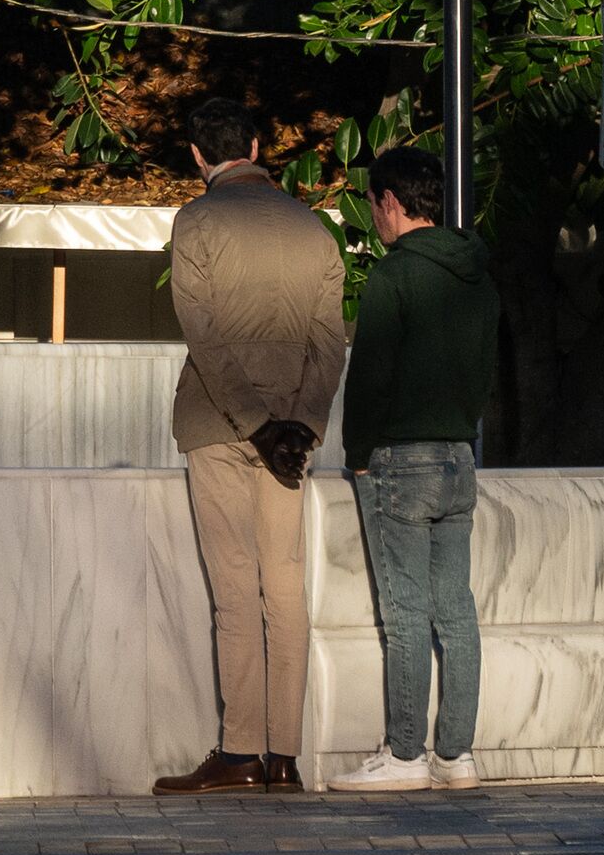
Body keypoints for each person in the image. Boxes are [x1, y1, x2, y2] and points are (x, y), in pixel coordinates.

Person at [154, 99, 351, 795]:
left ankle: (239, 752)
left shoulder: (197, 221)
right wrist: (301, 425)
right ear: (259, 146)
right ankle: (285, 757)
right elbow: (330, 344)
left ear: (197, 156)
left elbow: (202, 334)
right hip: (290, 434)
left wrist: (255, 422)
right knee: (285, 587)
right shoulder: (312, 227)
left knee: (235, 588)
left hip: (219, 423)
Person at [330, 145, 499, 791]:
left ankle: (405, 755)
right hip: (459, 455)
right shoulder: (477, 275)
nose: (374, 218)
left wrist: (357, 458)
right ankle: (457, 756)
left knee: (405, 612)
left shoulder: (394, 276)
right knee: (456, 611)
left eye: (374, 205)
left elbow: (369, 379)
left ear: (391, 202)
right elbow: (483, 375)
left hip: (401, 460)